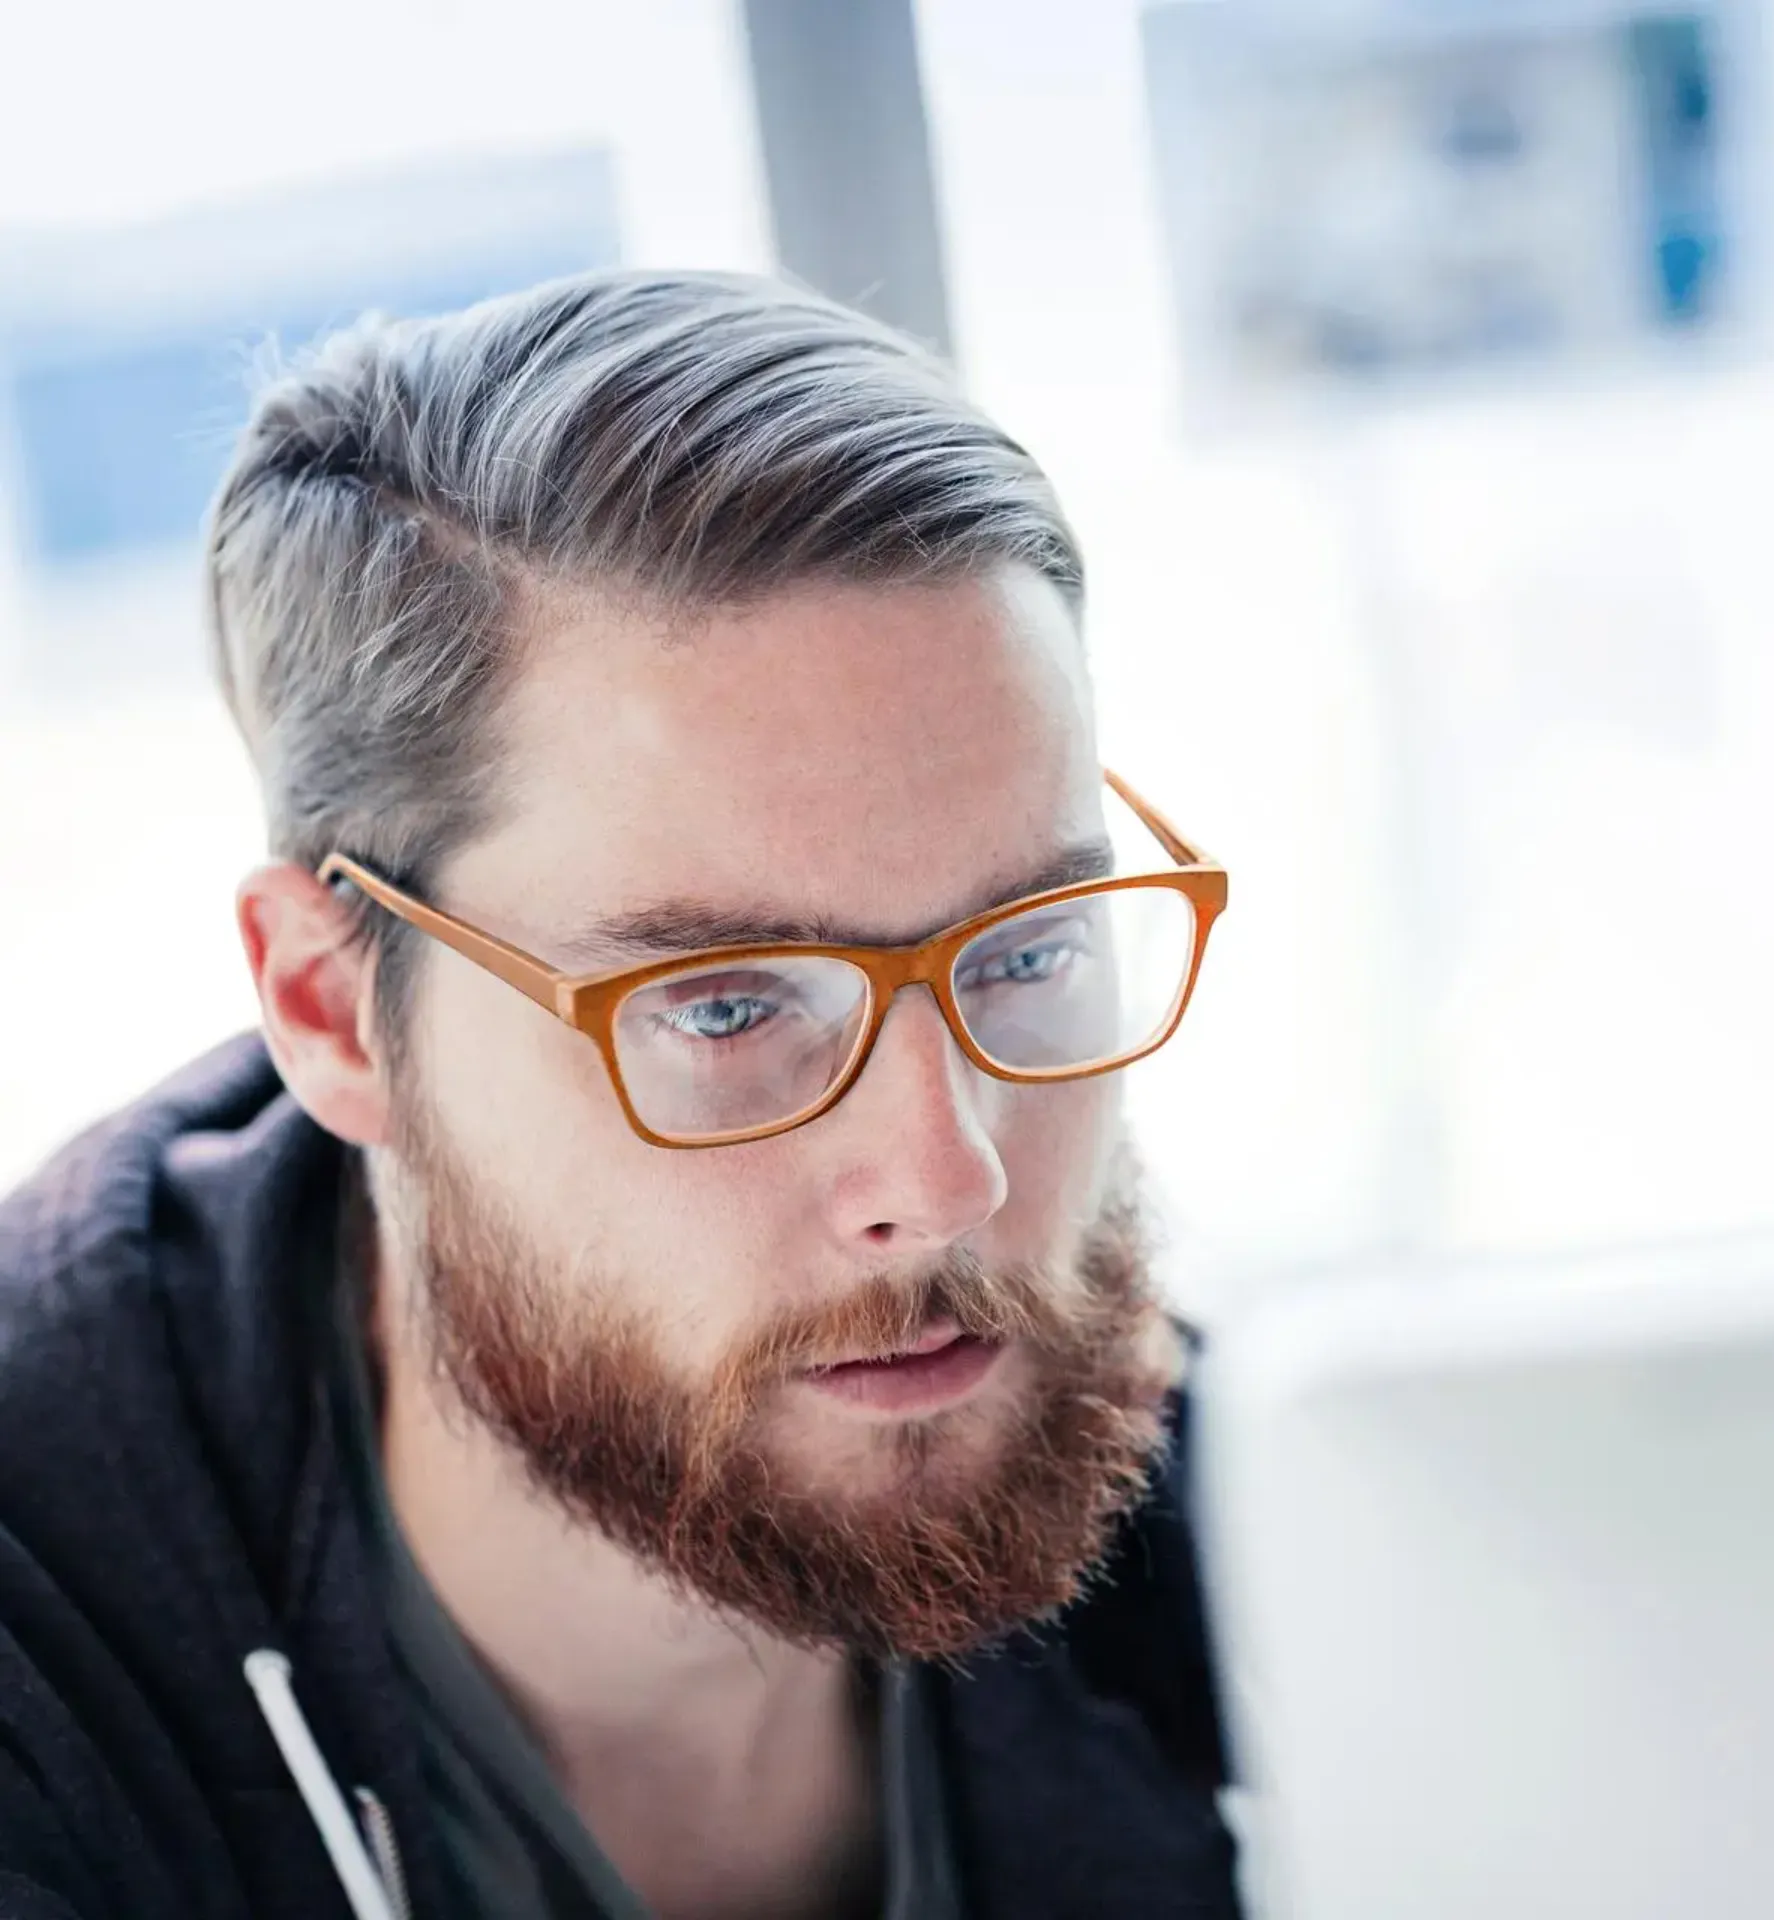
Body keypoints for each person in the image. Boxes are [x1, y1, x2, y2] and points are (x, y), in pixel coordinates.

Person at [0, 270, 1238, 1920]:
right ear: (334, 1011)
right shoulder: (45, 1676)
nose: (949, 1179)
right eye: (722, 1004)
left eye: (1023, 953)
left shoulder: (1290, 1543)